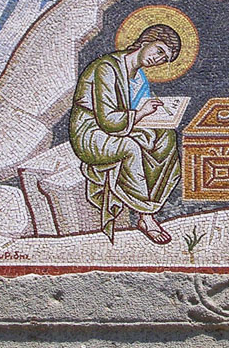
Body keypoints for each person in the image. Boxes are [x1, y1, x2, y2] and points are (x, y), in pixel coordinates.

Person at [69, 24, 182, 245]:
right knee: (131, 148)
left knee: (165, 138)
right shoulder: (107, 68)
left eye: (164, 58)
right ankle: (146, 217)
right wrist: (140, 113)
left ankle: (152, 202)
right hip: (90, 132)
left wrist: (160, 113)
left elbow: (139, 109)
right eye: (159, 50)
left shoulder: (138, 76)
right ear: (146, 40)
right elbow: (109, 121)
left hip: (121, 126)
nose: (157, 59)